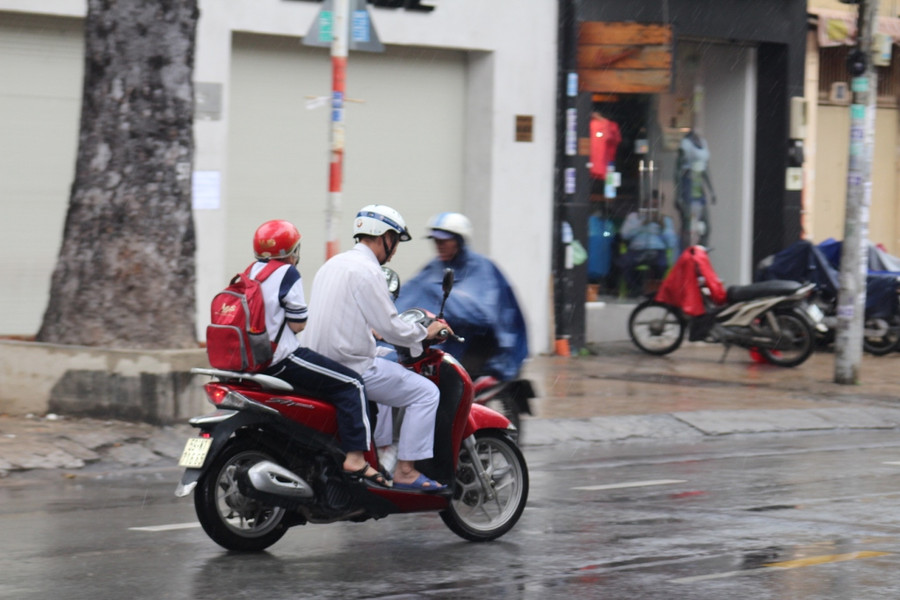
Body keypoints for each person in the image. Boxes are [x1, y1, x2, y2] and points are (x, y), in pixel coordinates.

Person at [301, 205, 451, 492]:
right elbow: (392, 327)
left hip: (320, 362)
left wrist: (369, 329)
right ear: (385, 236)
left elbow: (343, 314)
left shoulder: (333, 264)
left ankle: (382, 452)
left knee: (388, 367)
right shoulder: (369, 271)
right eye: (394, 242)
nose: (394, 252)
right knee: (426, 392)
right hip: (350, 365)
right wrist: (426, 331)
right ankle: (406, 471)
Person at [250, 220, 388, 488]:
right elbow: (298, 323)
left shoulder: (251, 272)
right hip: (281, 359)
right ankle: (356, 458)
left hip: (254, 361)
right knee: (352, 383)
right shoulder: (287, 273)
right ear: (289, 251)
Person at [394, 212, 528, 383]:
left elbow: (483, 313)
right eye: (436, 241)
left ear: (459, 241)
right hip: (441, 340)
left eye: (443, 241)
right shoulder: (434, 267)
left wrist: (444, 303)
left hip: (475, 345)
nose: (438, 246)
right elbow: (410, 292)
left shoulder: (481, 268)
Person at [617, 192, 678, 297]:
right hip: (637, 249)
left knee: (661, 265)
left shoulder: (665, 220)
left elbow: (671, 243)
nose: (653, 208)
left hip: (657, 249)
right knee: (624, 264)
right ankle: (635, 290)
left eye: (656, 206)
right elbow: (624, 235)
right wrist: (641, 224)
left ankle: (654, 292)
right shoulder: (634, 217)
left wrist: (663, 228)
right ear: (645, 204)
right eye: (651, 205)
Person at [675, 129, 717, 248]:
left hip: (698, 181)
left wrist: (711, 190)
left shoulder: (703, 143)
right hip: (687, 181)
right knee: (688, 225)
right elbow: (677, 170)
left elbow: (705, 169)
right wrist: (678, 194)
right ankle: (686, 253)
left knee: (706, 225)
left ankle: (702, 251)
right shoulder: (685, 144)